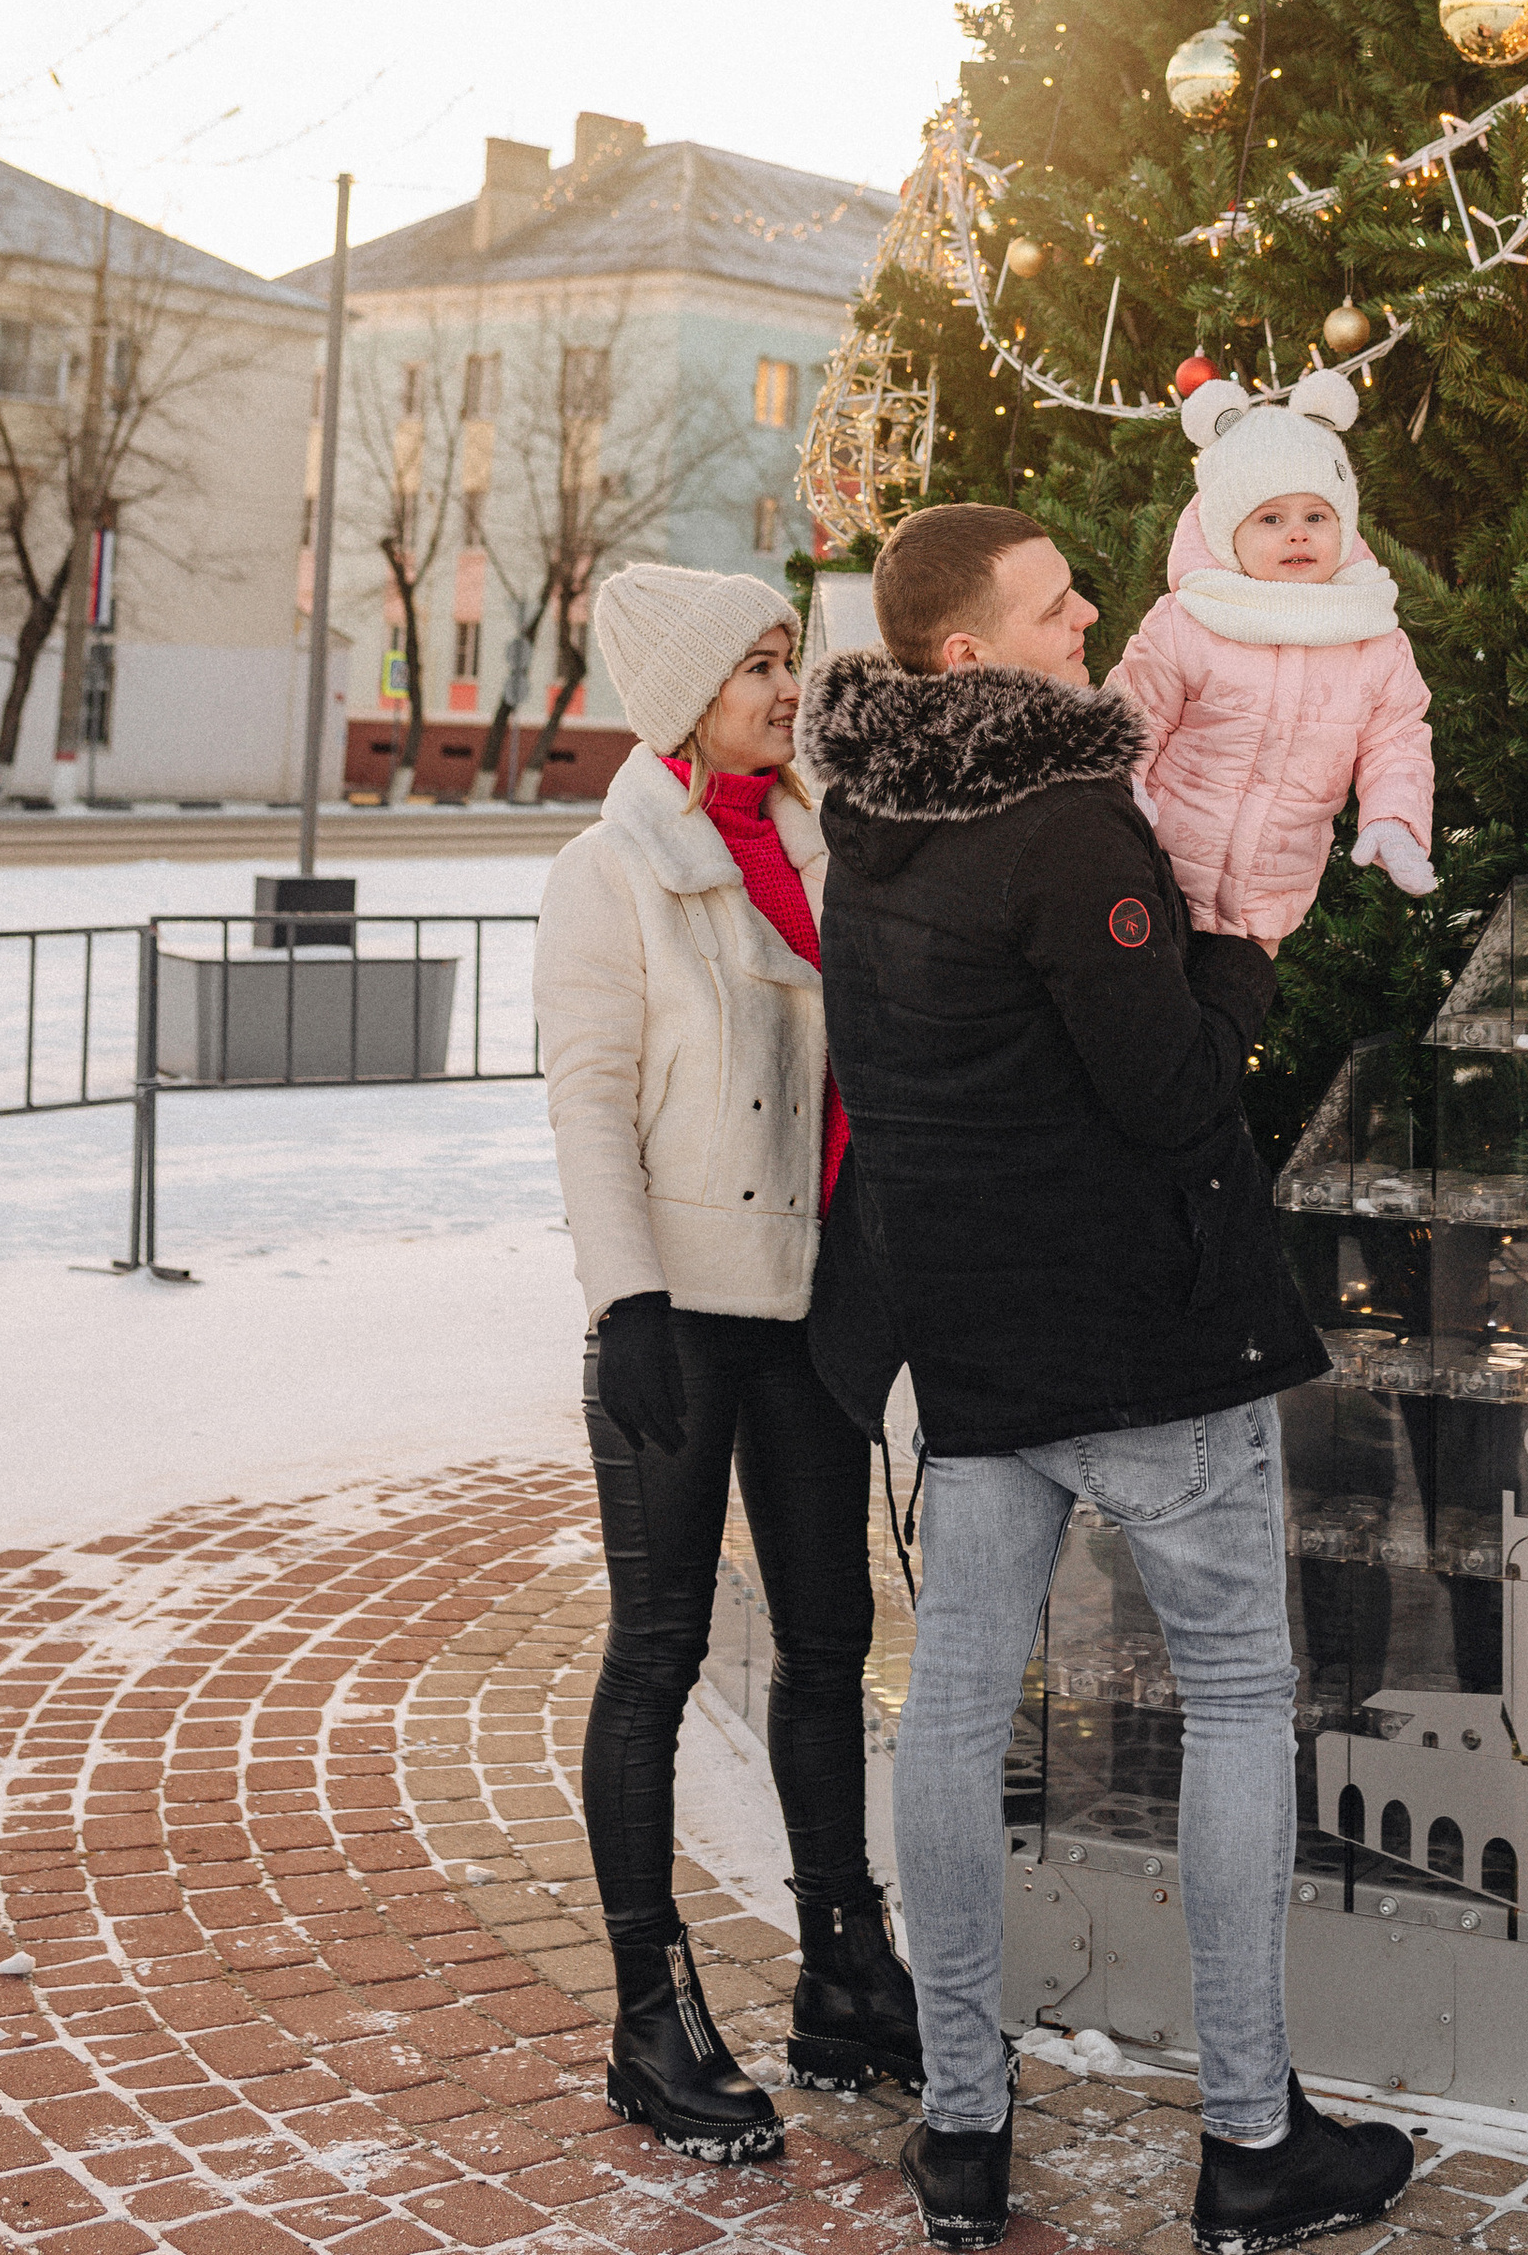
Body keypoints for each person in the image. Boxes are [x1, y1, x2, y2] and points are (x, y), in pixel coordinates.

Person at [800, 502, 1414, 2255]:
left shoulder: (872, 822)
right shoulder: (1069, 822)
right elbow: (1170, 1093)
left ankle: (963, 2128)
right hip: (1147, 1344)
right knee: (1233, 1699)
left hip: (975, 1348)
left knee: (954, 1708)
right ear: (967, 653)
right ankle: (1249, 2140)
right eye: (1056, 603)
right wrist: (1244, 955)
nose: (1092, 613)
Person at [532, 563, 920, 2165]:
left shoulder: (826, 846)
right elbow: (588, 1100)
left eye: (789, 660)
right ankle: (650, 2015)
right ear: (686, 695)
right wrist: (624, 1303)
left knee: (828, 1639)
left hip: (812, 1306)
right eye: (759, 667)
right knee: (660, 1647)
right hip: (683, 1311)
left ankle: (841, 1964)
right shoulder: (609, 871)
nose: (786, 689)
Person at [1106, 370, 1434, 948]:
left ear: (1344, 524)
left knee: (1233, 1013)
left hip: (1273, 898)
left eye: (1316, 516)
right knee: (1153, 1020)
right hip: (1151, 875)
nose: (1298, 535)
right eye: (1271, 518)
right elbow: (1134, 714)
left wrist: (1392, 819)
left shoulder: (1371, 636)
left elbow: (1397, 740)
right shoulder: (1191, 621)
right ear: (1229, 531)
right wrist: (1118, 791)